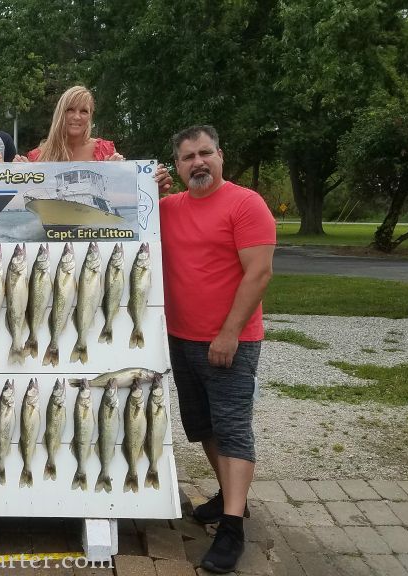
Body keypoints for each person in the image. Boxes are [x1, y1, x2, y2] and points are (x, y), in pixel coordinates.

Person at [155, 125, 275, 573]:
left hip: (231, 340)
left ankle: (232, 528)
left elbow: (259, 273)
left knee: (231, 427)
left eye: (205, 153)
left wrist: (228, 332)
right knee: (203, 424)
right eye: (188, 157)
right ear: (178, 166)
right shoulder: (168, 208)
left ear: (221, 156)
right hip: (181, 337)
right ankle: (229, 498)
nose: (198, 163)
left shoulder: (247, 204)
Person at [18, 85, 124, 162]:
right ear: (60, 113)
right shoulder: (37, 157)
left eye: (83, 111)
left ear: (90, 116)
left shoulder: (105, 151)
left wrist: (118, 173)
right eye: (70, 110)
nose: (77, 117)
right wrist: (18, 173)